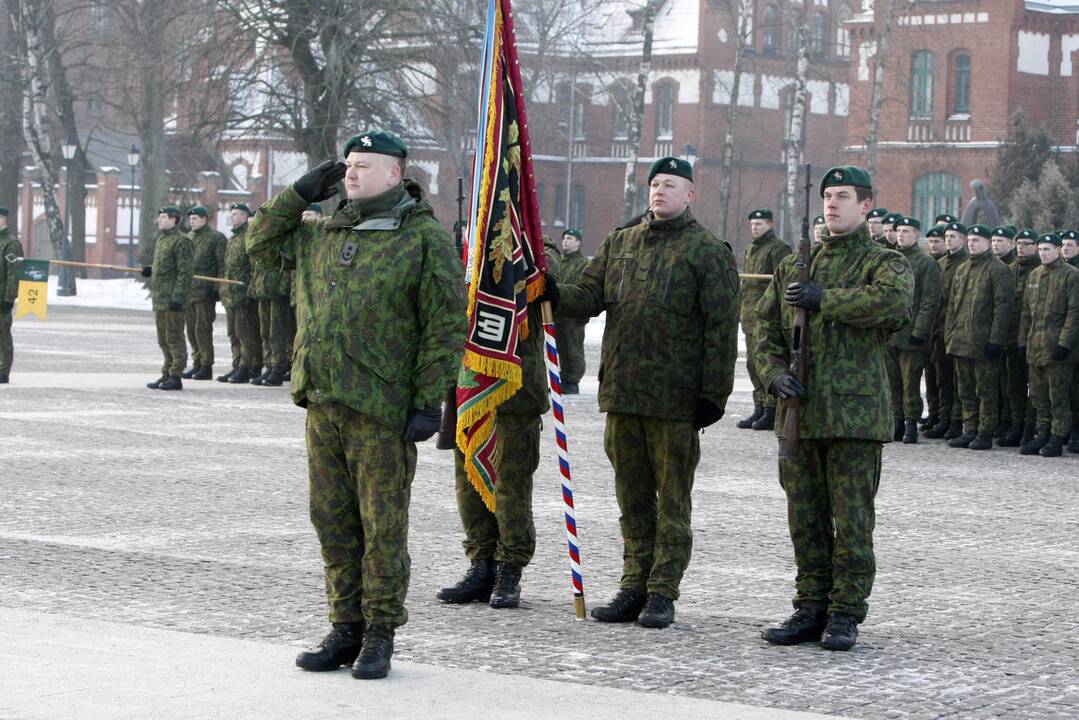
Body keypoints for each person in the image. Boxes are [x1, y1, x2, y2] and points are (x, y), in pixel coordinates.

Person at [247, 130, 465, 679]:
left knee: (382, 525)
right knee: (332, 520)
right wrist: (297, 195)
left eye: (364, 166)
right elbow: (259, 244)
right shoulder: (323, 231)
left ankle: (380, 632)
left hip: (382, 409)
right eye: (348, 165)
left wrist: (426, 401)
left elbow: (444, 326)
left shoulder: (421, 238)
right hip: (324, 398)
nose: (351, 174)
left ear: (394, 174)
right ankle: (344, 626)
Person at [541, 156, 739, 629]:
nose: (659, 192)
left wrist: (714, 394)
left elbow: (721, 328)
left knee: (672, 501)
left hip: (674, 400)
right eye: (654, 185)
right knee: (631, 499)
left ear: (690, 194)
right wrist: (552, 290)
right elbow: (588, 296)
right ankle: (634, 584)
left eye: (670, 185)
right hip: (624, 394)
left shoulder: (708, 250)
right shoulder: (621, 243)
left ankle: (662, 590)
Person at [755, 165, 912, 652]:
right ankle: (810, 605)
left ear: (866, 206)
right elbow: (764, 329)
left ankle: (845, 612)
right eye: (827, 196)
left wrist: (827, 299)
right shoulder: (793, 268)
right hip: (800, 415)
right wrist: (772, 374)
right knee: (805, 517)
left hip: (854, 417)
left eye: (843, 196)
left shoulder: (885, 263)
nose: (832, 204)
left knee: (853, 520)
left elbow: (891, 305)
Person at [437, 237, 561, 610]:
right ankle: (480, 563)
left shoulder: (539, 249)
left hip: (515, 391)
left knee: (510, 487)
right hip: (471, 387)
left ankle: (509, 568)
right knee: (469, 484)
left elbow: (547, 279)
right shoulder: (469, 248)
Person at [944, 224, 1014, 450]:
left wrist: (996, 340)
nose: (973, 243)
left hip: (983, 343)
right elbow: (953, 306)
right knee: (964, 390)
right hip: (961, 340)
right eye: (971, 240)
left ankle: (985, 431)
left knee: (985, 390)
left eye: (978, 240)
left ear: (987, 242)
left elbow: (1003, 309)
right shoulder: (962, 269)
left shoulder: (999, 270)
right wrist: (950, 336)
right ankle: (970, 429)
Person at [1018, 233, 1079, 456]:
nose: (1043, 253)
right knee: (1038, 394)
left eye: (1048, 249)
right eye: (1041, 249)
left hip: (1058, 349)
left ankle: (1057, 436)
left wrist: (1064, 343)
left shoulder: (1072, 276)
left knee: (1058, 395)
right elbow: (1026, 313)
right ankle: (1042, 432)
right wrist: (1023, 342)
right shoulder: (1034, 276)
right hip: (1036, 346)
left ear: (1057, 250)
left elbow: (1074, 313)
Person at [886, 217, 941, 443]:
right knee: (893, 381)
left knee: (911, 382)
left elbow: (930, 301)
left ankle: (910, 422)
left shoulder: (926, 264)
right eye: (899, 231)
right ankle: (896, 420)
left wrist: (920, 331)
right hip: (891, 333)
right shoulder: (890, 260)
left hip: (912, 334)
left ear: (917, 235)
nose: (901, 235)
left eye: (906, 231)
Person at [738, 208, 791, 432]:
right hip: (749, 315)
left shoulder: (778, 249)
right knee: (751, 364)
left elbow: (782, 282)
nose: (755, 228)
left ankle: (772, 409)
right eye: (753, 224)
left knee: (765, 363)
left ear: (770, 225)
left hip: (766, 315)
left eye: (760, 224)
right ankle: (759, 405)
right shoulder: (751, 248)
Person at [924, 222, 970, 440]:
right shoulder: (940, 264)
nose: (949, 240)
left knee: (955, 380)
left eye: (954, 236)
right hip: (937, 329)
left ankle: (955, 421)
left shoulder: (965, 264)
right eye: (947, 236)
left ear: (963, 239)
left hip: (956, 331)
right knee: (940, 378)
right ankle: (942, 417)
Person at [141, 205, 192, 390]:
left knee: (174, 337)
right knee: (162, 339)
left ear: (174, 220)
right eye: (159, 217)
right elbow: (166, 267)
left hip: (173, 300)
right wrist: (151, 270)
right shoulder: (162, 240)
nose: (159, 220)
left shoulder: (181, 242)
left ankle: (176, 375)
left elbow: (184, 272)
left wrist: (178, 298)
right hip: (160, 298)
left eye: (163, 217)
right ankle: (167, 371)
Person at [217, 203, 262, 383]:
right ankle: (237, 365)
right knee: (233, 333)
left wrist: (250, 291)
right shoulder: (233, 238)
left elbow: (254, 267)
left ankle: (248, 366)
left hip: (243, 294)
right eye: (231, 214)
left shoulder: (248, 237)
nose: (232, 217)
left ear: (244, 217)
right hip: (231, 294)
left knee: (245, 334)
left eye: (235, 214)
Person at [182, 206, 227, 380]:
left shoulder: (216, 238)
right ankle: (197, 362)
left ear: (204, 219)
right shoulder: (189, 237)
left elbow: (222, 264)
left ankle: (206, 365)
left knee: (203, 328)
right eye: (190, 218)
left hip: (205, 291)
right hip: (189, 291)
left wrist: (217, 288)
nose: (191, 221)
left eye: (195, 218)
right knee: (191, 329)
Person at [553, 228, 589, 394]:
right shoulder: (560, 261)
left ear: (578, 242)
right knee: (561, 348)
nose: (565, 241)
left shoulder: (583, 264)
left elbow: (586, 289)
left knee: (573, 349)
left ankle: (573, 380)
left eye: (570, 238)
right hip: (559, 312)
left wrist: (584, 313)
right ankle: (564, 377)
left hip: (574, 314)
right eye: (564, 238)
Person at [919, 227, 948, 431]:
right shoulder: (930, 263)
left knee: (945, 378)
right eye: (931, 242)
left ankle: (948, 418)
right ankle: (935, 413)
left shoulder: (954, 265)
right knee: (930, 376)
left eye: (938, 241)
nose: (933, 245)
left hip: (946, 329)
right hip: (930, 329)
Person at [0, 208, 23, 384]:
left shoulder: (11, 243)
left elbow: (14, 274)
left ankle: (3, 371)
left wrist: (9, 299)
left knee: (2, 335)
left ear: (3, 220)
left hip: (1, 298)